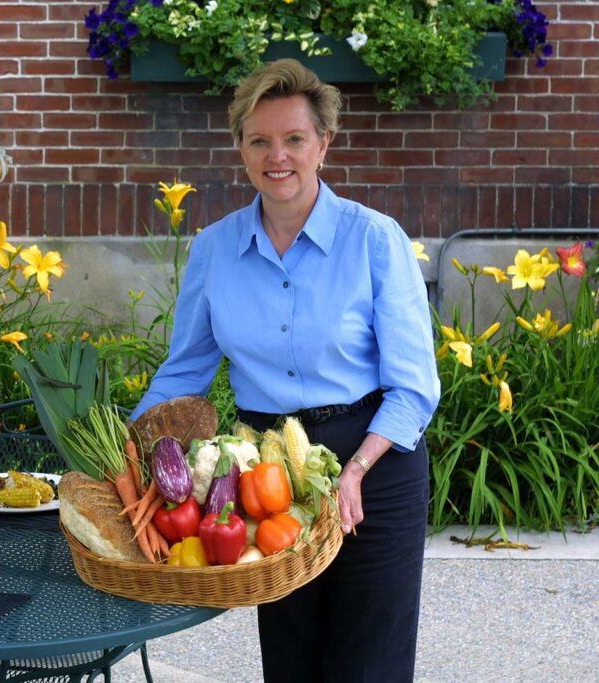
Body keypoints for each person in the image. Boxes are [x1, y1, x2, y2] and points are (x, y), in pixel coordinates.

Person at [128, 58, 440, 682]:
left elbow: (414, 386)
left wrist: (354, 470)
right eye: (260, 140)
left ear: (323, 144)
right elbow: (184, 371)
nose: (278, 156)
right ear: (240, 148)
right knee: (291, 657)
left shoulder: (375, 240)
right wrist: (125, 453)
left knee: (369, 663)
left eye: (295, 138)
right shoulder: (215, 248)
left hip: (372, 464)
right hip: (266, 475)